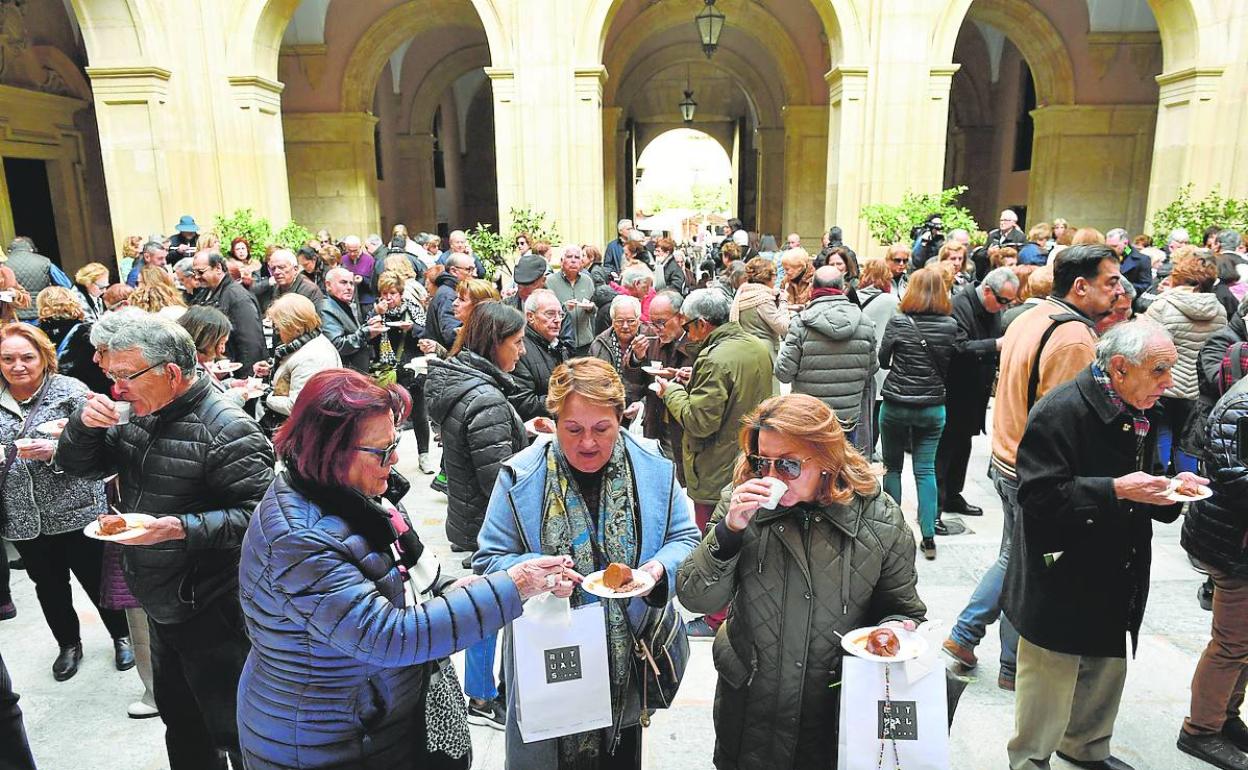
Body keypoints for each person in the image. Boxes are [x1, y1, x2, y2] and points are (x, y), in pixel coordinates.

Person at [235, 367, 573, 770]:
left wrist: (458, 586)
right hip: (322, 742)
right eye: (382, 450)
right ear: (331, 450)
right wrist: (511, 588)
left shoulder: (360, 497)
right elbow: (389, 635)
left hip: (370, 722)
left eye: (394, 443)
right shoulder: (299, 539)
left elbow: (406, 578)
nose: (394, 459)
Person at [56, 314, 274, 770]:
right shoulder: (140, 413)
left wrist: (180, 527)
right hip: (160, 596)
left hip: (214, 605)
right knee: (181, 721)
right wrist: (82, 426)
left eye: (124, 376)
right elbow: (83, 467)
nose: (116, 387)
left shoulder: (228, 429)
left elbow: (262, 519)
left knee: (233, 728)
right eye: (110, 375)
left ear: (171, 373)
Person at [676, 393, 926, 769]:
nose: (772, 477)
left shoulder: (879, 519)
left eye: (789, 466)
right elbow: (696, 597)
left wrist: (894, 631)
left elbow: (903, 610)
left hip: (833, 715)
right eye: (763, 462)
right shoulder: (742, 504)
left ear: (825, 459)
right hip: (749, 713)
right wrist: (728, 533)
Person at [475, 357, 700, 768]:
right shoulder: (520, 476)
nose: (588, 444)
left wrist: (655, 570)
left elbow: (685, 538)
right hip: (548, 658)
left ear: (622, 417)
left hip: (626, 661)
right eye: (573, 430)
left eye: (602, 429)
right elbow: (489, 559)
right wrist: (532, 574)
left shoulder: (652, 468)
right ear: (553, 422)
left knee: (620, 756)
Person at [1003, 319, 1201, 770]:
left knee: (1105, 664)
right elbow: (1035, 497)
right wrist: (1114, 490)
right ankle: (1030, 760)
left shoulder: (1138, 408)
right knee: (1051, 672)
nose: (1168, 382)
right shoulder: (1060, 410)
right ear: (1118, 368)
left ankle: (1087, 748)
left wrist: (1172, 489)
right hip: (1062, 565)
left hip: (1117, 562)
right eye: (1159, 370)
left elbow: (1138, 484)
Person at [942, 245, 1122, 691]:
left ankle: (974, 643)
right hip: (1030, 468)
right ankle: (997, 656)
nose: (1118, 291)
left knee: (1017, 558)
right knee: (1027, 564)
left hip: (1010, 457)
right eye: (1110, 281)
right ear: (1080, 286)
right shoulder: (1074, 336)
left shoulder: (1030, 315)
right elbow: (1066, 419)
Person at [0, 323, 132, 681]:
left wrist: (57, 451)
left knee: (97, 577)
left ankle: (122, 636)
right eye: (8, 358)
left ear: (44, 357)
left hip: (75, 507)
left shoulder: (70, 391)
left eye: (27, 357)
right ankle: (68, 644)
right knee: (48, 585)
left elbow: (104, 444)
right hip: (22, 515)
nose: (18, 366)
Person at [425, 302, 528, 727]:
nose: (521, 352)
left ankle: (483, 692)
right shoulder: (485, 398)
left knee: (486, 602)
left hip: (471, 516)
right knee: (490, 606)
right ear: (494, 343)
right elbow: (498, 480)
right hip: (489, 522)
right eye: (517, 343)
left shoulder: (465, 381)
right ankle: (483, 697)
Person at [653, 288, 771, 637]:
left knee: (717, 541)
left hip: (717, 463)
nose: (687, 335)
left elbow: (699, 420)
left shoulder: (715, 358)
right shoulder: (754, 345)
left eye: (689, 328)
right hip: (748, 456)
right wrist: (693, 380)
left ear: (703, 324)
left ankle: (716, 616)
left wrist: (669, 392)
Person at [1179, 374, 1248, 769]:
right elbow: (1232, 474)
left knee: (1243, 643)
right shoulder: (1242, 404)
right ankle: (1201, 730)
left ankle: (1225, 716)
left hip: (1235, 539)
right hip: (1231, 544)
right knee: (1232, 644)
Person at [878, 267, 958, 559]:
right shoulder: (950, 325)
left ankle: (891, 532)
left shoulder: (899, 322)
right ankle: (928, 536)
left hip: (896, 404)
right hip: (932, 407)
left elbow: (883, 360)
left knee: (893, 468)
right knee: (925, 471)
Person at [936, 267, 1019, 522]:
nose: (1005, 307)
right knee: (946, 447)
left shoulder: (992, 308)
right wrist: (995, 345)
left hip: (975, 391)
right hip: (955, 389)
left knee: (963, 444)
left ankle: (953, 494)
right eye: (1002, 301)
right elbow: (957, 347)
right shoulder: (960, 304)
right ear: (986, 291)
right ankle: (936, 504)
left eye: (1009, 302)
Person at [774, 265, 877, 443]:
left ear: (813, 289)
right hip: (847, 419)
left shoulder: (801, 324)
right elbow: (871, 368)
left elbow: (783, 373)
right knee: (840, 467)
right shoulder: (865, 322)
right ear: (843, 288)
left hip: (808, 417)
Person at [1145, 255, 1226, 478]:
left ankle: (1159, 483)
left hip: (1165, 384)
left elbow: (1145, 344)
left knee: (1161, 433)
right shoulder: (1218, 310)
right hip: (1199, 388)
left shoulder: (1162, 306)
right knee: (1189, 440)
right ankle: (1188, 490)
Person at [624, 290, 692, 479]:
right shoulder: (651, 339)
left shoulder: (695, 342)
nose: (655, 329)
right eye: (651, 323)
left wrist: (679, 378)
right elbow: (637, 383)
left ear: (681, 318)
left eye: (661, 322)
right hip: (655, 421)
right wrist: (636, 359)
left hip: (682, 426)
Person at [255, 293, 341, 430]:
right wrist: (272, 369)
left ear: (293, 326)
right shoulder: (310, 343)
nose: (277, 332)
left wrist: (266, 396)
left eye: (278, 327)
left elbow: (296, 405)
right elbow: (294, 373)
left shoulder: (311, 357)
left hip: (304, 431)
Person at [190, 251, 266, 376]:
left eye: (201, 272)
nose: (197, 277)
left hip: (237, 373)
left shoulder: (238, 297)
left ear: (218, 268)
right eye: (195, 272)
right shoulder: (206, 291)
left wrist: (245, 380)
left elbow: (250, 343)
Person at [510, 288, 570, 421]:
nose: (557, 320)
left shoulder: (558, 346)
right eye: (550, 314)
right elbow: (523, 404)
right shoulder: (519, 349)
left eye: (560, 314)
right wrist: (568, 399)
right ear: (530, 316)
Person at [35, 286, 108, 394]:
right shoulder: (88, 331)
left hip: (51, 394)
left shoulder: (34, 334)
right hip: (88, 392)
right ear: (73, 303)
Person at [588, 295, 647, 420]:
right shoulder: (598, 345)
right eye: (620, 321)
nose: (625, 326)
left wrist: (643, 405)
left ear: (639, 320)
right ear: (612, 321)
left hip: (641, 414)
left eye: (631, 321)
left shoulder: (650, 341)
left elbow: (655, 382)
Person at [321, 266, 384, 373]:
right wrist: (366, 332)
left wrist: (368, 326)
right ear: (328, 285)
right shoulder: (327, 308)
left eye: (351, 283)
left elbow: (352, 332)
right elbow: (338, 345)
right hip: (344, 375)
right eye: (343, 283)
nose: (349, 287)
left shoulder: (342, 304)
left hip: (355, 371)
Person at [730, 257, 790, 363]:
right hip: (765, 354)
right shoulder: (763, 299)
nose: (776, 278)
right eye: (775, 275)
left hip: (745, 351)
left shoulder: (743, 293)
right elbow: (783, 327)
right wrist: (783, 302)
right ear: (767, 276)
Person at [549, 244, 596, 355]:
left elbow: (595, 309)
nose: (573, 261)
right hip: (562, 342)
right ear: (561, 261)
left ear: (581, 262)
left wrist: (591, 308)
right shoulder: (550, 282)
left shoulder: (587, 281)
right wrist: (563, 307)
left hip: (585, 341)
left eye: (577, 257)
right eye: (569, 257)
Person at [249, 248, 324, 314]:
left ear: (295, 269)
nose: (276, 272)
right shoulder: (276, 287)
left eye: (281, 267)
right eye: (273, 268)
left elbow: (319, 324)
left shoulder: (310, 290)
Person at [425, 252, 473, 351]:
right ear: (454, 271)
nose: (473, 273)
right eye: (469, 269)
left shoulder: (449, 291)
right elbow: (451, 335)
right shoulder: (448, 295)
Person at [6, 239, 54, 320]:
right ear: (31, 249)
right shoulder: (44, 261)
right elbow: (65, 284)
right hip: (42, 311)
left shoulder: (4, 265)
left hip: (15, 316)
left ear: (9, 250)